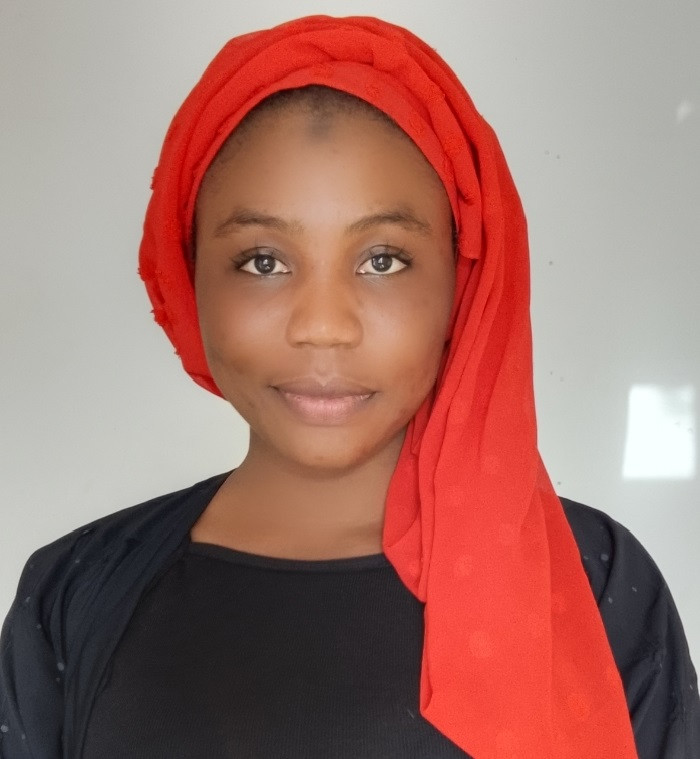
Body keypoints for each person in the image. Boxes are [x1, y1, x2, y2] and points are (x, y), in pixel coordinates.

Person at [1, 14, 698, 759]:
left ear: (463, 284)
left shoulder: (594, 579)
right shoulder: (75, 591)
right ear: (188, 275)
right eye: (264, 261)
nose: (323, 326)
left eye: (383, 260)